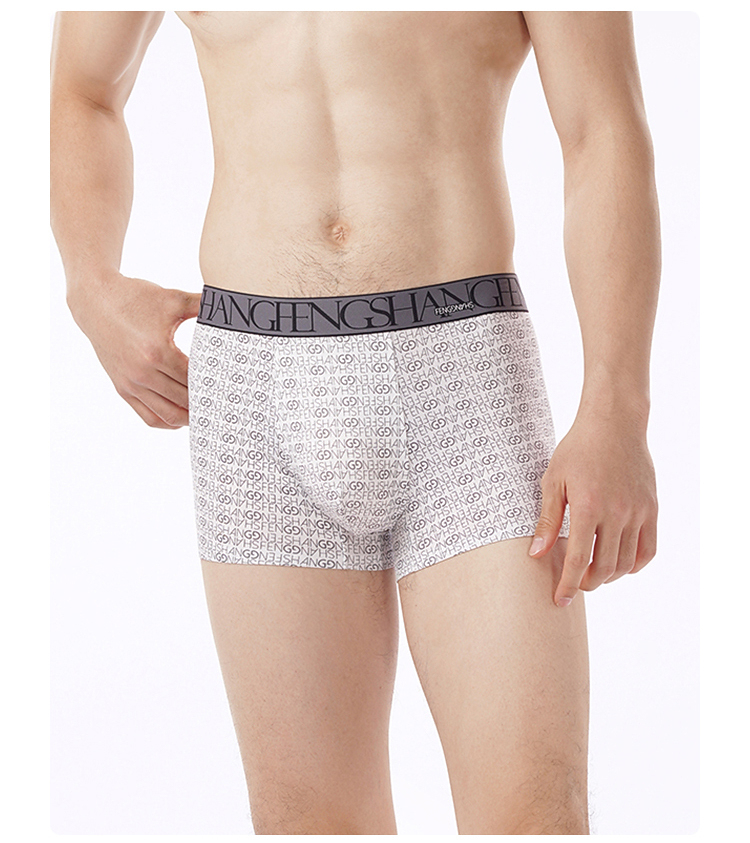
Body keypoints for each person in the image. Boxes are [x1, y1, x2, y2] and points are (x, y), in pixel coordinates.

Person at [50, 11, 660, 836]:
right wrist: (91, 283)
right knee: (307, 822)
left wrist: (617, 409)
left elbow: (602, 127)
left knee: (535, 814)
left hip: (464, 380)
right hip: (255, 391)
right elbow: (86, 89)